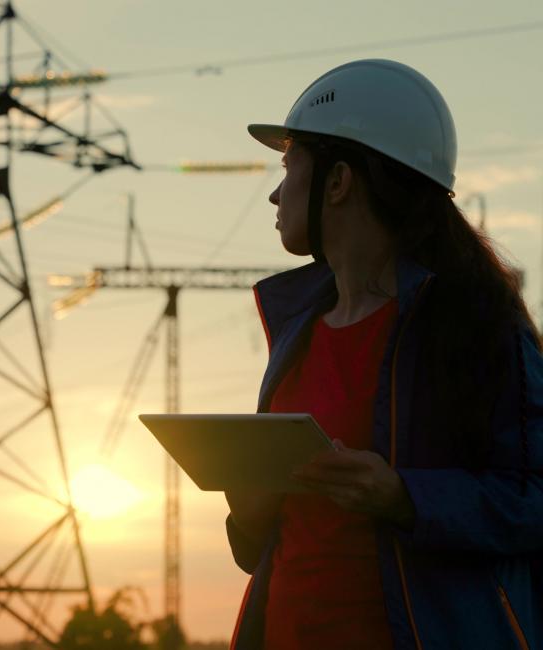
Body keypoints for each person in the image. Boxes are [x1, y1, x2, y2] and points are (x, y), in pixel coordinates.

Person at [225, 59, 542, 649]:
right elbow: (276, 542)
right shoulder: (295, 331)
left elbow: (532, 501)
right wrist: (247, 514)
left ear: (339, 181)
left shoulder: (477, 329)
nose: (275, 191)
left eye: (289, 165)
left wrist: (404, 496)